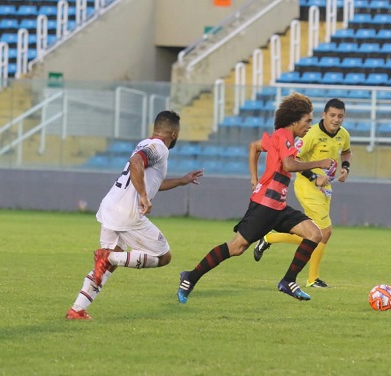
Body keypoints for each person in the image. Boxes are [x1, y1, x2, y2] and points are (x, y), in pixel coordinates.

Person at [176, 92, 335, 304]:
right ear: (295, 120)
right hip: (264, 206)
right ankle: (190, 276)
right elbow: (288, 165)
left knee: (314, 234)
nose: (309, 125)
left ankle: (288, 281)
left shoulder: (281, 137)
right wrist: (319, 163)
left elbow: (254, 147)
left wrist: (254, 178)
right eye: (307, 121)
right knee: (237, 247)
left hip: (278, 206)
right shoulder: (284, 136)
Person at [66, 110, 204, 320]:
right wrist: (142, 197)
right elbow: (135, 163)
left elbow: (149, 181)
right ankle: (108, 257)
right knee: (163, 256)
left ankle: (77, 309)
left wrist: (181, 181)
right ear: (174, 134)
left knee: (106, 266)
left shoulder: (145, 143)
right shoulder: (159, 149)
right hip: (127, 213)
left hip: (111, 206)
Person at [252, 98, 352, 288]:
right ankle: (312, 279)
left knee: (317, 233)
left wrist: (346, 168)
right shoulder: (311, 135)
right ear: (323, 115)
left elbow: (347, 152)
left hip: (325, 188)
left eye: (340, 116)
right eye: (332, 115)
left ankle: (269, 238)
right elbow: (292, 160)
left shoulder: (343, 134)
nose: (336, 120)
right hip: (308, 186)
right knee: (324, 231)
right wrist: (314, 177)